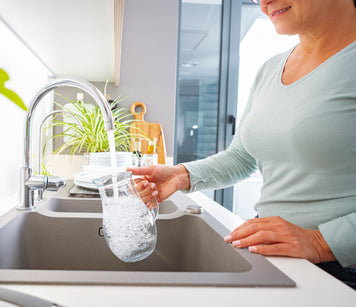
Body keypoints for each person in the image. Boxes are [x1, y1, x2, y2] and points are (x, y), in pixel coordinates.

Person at [129, 0, 356, 289]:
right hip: (272, 254)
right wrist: (180, 175)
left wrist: (322, 242)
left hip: (341, 271)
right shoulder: (271, 69)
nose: (263, 3)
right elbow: (242, 156)